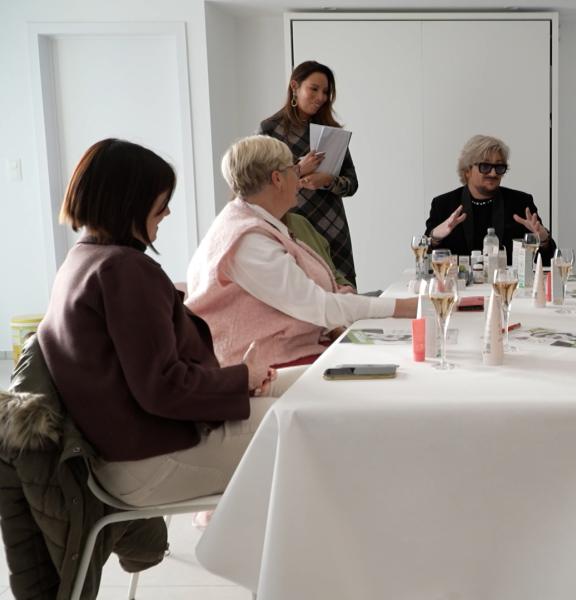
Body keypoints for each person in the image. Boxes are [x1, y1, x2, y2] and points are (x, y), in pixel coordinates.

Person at [35, 138, 276, 508]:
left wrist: (240, 379)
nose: (166, 212)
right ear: (128, 201)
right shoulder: (124, 269)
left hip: (122, 457)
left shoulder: (81, 260)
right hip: (149, 461)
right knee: (306, 424)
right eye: (161, 202)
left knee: (306, 390)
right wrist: (241, 377)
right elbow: (163, 388)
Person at [187, 135, 417, 387]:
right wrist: (402, 307)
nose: (299, 177)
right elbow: (320, 306)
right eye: (294, 169)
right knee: (396, 376)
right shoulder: (248, 241)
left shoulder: (256, 224)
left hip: (289, 354)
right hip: (263, 369)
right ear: (277, 178)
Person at [260, 60, 361, 287]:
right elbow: (261, 184)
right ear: (295, 86)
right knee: (303, 295)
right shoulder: (269, 130)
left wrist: (327, 181)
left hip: (332, 226)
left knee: (344, 295)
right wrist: (298, 169)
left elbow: (352, 184)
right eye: (313, 89)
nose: (321, 97)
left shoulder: (331, 132)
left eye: (325, 92)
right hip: (291, 225)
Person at [425, 134, 556, 263]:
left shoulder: (521, 203)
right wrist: (434, 238)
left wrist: (544, 240)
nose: (493, 173)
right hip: (458, 283)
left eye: (499, 167)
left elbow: (547, 261)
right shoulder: (443, 205)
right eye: (485, 166)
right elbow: (424, 258)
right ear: (467, 170)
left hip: (507, 283)